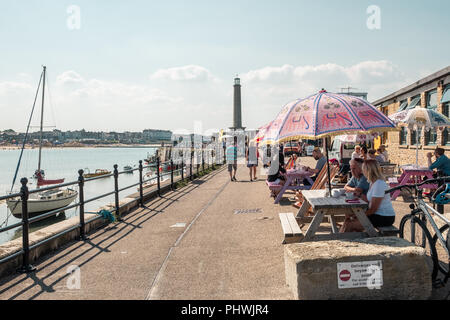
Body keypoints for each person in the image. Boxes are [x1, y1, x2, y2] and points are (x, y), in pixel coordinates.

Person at [340, 160, 396, 232]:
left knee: (350, 224)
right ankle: (345, 240)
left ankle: (343, 242)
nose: (362, 171)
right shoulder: (372, 182)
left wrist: (359, 215)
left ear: (369, 171)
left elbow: (373, 209)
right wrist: (359, 195)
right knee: (348, 220)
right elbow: (368, 200)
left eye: (363, 169)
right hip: (376, 215)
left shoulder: (379, 184)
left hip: (384, 217)